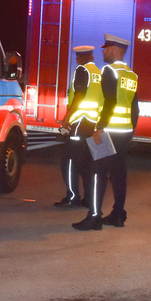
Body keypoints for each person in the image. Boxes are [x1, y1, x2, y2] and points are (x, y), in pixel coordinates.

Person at [73, 33, 139, 231]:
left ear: (117, 51)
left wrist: (100, 127)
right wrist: (131, 130)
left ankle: (94, 217)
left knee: (97, 173)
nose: (103, 51)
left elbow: (110, 102)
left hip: (108, 132)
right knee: (119, 174)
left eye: (107, 48)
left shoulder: (110, 71)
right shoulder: (131, 75)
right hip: (124, 132)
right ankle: (118, 214)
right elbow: (135, 108)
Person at [55, 45, 102, 207]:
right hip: (91, 123)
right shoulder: (98, 73)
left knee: (68, 160)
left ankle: (72, 197)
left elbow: (80, 95)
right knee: (87, 162)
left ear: (81, 58)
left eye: (77, 58)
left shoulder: (82, 71)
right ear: (92, 57)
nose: (76, 61)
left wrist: (67, 117)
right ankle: (89, 199)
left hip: (79, 122)